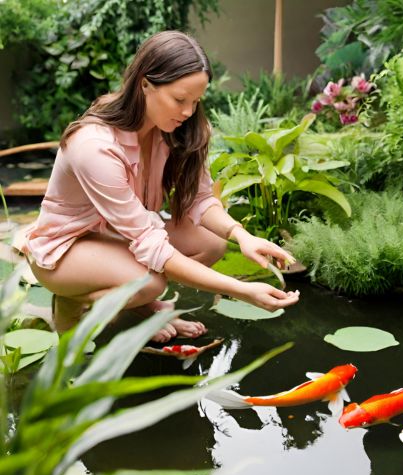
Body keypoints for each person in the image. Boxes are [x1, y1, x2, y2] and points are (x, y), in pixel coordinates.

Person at [24, 30, 300, 343]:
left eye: (196, 101)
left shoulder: (175, 127)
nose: (188, 112)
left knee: (212, 242)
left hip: (119, 235)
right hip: (67, 250)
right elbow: (151, 247)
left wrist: (242, 235)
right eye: (179, 99)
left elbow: (200, 199)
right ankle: (76, 299)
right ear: (144, 83)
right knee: (149, 281)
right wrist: (240, 289)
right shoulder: (94, 145)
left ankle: (140, 306)